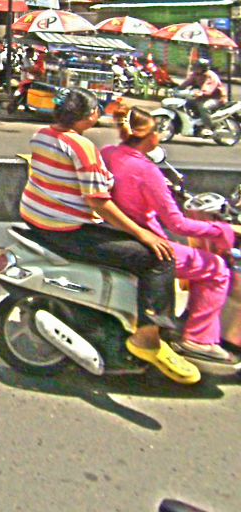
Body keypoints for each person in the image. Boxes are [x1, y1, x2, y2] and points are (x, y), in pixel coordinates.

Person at [19, 87, 200, 384]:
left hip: (38, 219)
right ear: (90, 115)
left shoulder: (41, 135)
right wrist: (143, 234)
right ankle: (147, 337)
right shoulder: (82, 147)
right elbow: (98, 202)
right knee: (159, 258)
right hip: (67, 230)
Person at [102, 105, 236, 363]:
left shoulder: (108, 153)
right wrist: (220, 230)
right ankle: (199, 340)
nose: (159, 137)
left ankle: (185, 323)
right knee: (217, 268)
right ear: (149, 136)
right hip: (145, 240)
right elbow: (177, 225)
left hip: (114, 233)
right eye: (157, 132)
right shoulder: (147, 171)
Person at [177, 58, 227, 136]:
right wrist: (177, 89)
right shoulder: (195, 74)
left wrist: (202, 93)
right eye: (196, 67)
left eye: (198, 67)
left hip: (217, 98)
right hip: (203, 97)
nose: (196, 68)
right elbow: (187, 82)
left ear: (204, 68)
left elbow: (208, 88)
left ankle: (208, 127)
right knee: (187, 103)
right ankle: (196, 122)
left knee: (204, 107)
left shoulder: (210, 76)